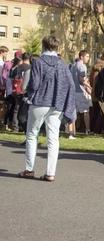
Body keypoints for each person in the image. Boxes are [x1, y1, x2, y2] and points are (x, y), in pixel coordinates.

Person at [18, 36, 75, 182]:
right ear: (57, 47)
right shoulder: (63, 64)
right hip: (57, 104)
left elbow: (34, 84)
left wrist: (28, 95)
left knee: (31, 135)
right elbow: (70, 85)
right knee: (53, 139)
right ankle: (50, 173)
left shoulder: (38, 62)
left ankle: (29, 170)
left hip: (39, 102)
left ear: (43, 46)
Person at [68, 50, 92, 138]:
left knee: (73, 112)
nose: (88, 59)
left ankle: (71, 132)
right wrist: (89, 87)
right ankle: (87, 130)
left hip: (72, 91)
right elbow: (82, 79)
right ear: (82, 57)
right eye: (87, 56)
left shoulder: (72, 66)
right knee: (86, 112)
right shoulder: (82, 66)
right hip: (80, 91)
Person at [89, 51, 104, 135]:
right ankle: (101, 130)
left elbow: (91, 81)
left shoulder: (94, 68)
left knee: (96, 112)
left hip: (95, 93)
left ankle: (94, 129)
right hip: (101, 93)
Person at [10, 53, 31, 132]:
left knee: (16, 108)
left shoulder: (18, 67)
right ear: (29, 58)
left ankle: (15, 126)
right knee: (24, 110)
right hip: (24, 91)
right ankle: (23, 126)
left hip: (16, 89)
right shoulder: (29, 67)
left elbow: (12, 78)